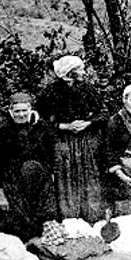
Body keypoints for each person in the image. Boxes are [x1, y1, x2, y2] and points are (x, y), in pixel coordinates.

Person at [35, 56, 108, 223]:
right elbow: (40, 120)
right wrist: (64, 126)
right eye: (80, 69)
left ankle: (92, 218)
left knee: (89, 175)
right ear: (70, 72)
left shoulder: (88, 89)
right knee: (66, 176)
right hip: (62, 140)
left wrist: (87, 123)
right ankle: (70, 218)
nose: (83, 72)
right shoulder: (51, 92)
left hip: (86, 140)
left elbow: (103, 114)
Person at [0, 92, 57, 240]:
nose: (21, 114)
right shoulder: (2, 132)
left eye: (24, 110)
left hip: (39, 182)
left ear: (30, 110)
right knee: (17, 225)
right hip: (12, 183)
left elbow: (53, 153)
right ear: (11, 112)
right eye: (17, 111)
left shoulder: (41, 128)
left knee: (44, 217)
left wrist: (51, 173)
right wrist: (0, 194)